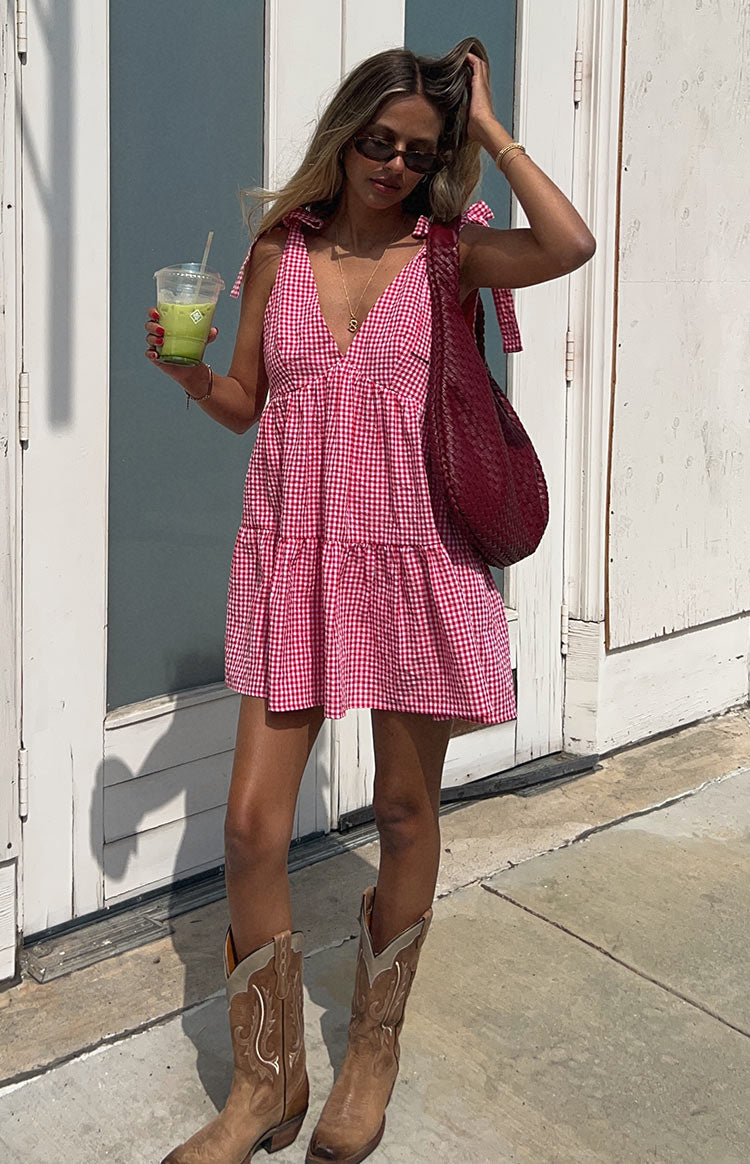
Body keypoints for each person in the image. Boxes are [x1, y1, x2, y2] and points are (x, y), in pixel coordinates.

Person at [147, 36, 595, 1164]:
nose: (393, 165)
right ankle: (267, 1085)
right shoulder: (276, 249)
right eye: (379, 142)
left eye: (418, 151)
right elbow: (246, 401)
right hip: (297, 556)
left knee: (403, 815)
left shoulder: (452, 254)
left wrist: (488, 128)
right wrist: (191, 374)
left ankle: (372, 1050)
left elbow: (572, 243)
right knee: (252, 826)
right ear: (345, 138)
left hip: (416, 557)